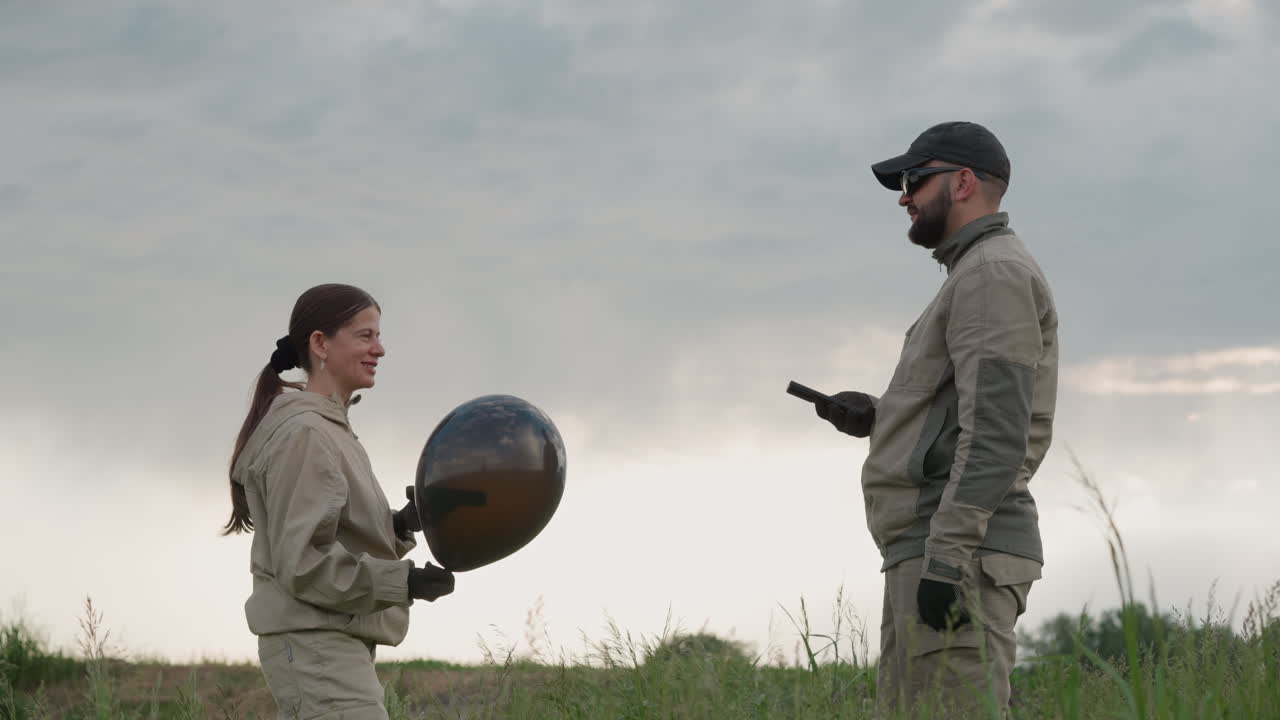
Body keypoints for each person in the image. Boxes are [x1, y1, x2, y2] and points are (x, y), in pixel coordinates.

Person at [815, 122, 1058, 714]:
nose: (904, 196)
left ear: (965, 182)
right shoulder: (975, 273)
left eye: (914, 179)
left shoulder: (989, 274)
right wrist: (879, 416)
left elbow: (998, 435)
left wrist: (946, 562)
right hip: (934, 548)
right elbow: (963, 417)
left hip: (956, 555)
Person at [222, 283, 456, 720]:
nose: (380, 349)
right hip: (316, 650)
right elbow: (304, 563)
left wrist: (400, 525)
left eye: (379, 336)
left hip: (326, 644)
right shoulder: (308, 433)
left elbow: (329, 530)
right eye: (365, 336)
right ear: (320, 343)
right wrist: (403, 583)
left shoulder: (329, 427)